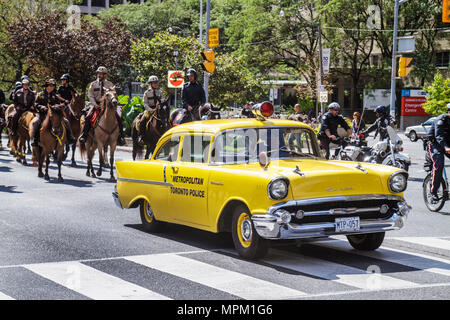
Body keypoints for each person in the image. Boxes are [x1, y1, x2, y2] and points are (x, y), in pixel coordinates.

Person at [79, 66, 125, 146]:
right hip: (96, 104)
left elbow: (113, 94)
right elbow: (90, 96)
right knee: (88, 117)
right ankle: (84, 135)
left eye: (101, 74)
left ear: (105, 75)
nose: (99, 75)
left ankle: (120, 137)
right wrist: (95, 105)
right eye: (98, 73)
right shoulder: (93, 84)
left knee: (118, 118)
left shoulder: (110, 84)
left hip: (108, 106)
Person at [31, 78, 76, 147]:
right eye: (51, 85)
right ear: (47, 86)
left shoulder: (55, 95)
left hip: (53, 114)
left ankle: (69, 137)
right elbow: (36, 104)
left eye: (53, 86)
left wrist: (60, 105)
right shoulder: (40, 95)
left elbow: (58, 104)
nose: (52, 87)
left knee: (66, 121)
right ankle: (35, 139)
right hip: (43, 113)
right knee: (36, 122)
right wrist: (42, 107)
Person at [426, 103, 450, 201]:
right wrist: (446, 147)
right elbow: (438, 136)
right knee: (439, 165)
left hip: (447, 145)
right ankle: (433, 192)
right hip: (435, 145)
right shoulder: (441, 120)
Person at [137, 75, 163, 145]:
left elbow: (162, 100)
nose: (156, 84)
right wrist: (150, 109)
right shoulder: (146, 92)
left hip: (158, 110)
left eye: (156, 83)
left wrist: (161, 104)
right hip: (149, 110)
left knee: (167, 119)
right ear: (150, 84)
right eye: (154, 83)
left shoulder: (159, 92)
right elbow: (145, 103)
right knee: (142, 120)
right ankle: (141, 136)